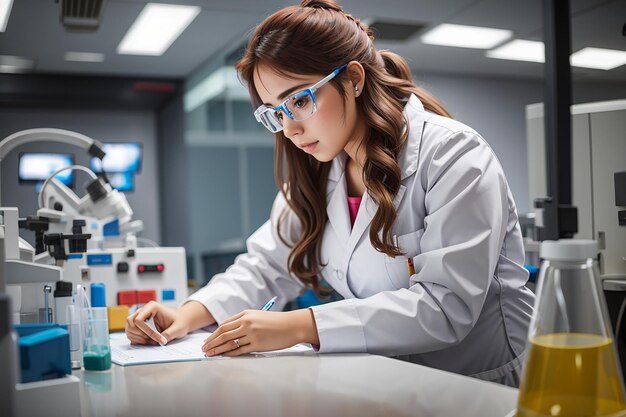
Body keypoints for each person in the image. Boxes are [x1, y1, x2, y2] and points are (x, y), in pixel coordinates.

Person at [125, 0, 535, 387]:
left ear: (353, 79)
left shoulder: (453, 155)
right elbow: (266, 266)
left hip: (482, 381)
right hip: (390, 379)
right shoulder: (318, 170)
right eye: (274, 112)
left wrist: (299, 325)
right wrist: (185, 315)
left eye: (299, 100)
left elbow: (446, 308)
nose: (289, 128)